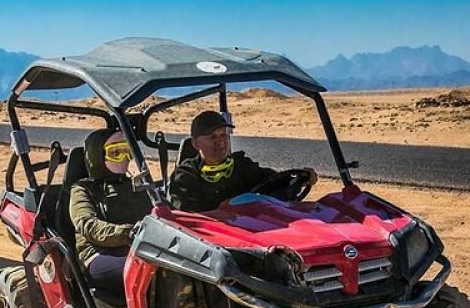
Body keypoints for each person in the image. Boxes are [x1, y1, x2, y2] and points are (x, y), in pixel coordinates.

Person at [169, 110, 317, 212]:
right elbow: (189, 220)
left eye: (223, 135)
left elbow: (274, 181)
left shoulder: (242, 165)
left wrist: (300, 179)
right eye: (212, 137)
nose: (220, 141)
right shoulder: (185, 176)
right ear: (196, 144)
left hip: (252, 233)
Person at [69, 129, 152, 296]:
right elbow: (88, 225)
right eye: (115, 153)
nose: (123, 159)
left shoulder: (135, 185)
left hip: (138, 248)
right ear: (97, 157)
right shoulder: (83, 189)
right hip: (98, 254)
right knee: (148, 272)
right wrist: (127, 233)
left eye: (126, 152)